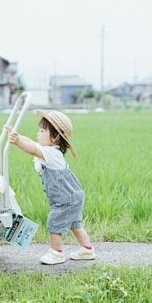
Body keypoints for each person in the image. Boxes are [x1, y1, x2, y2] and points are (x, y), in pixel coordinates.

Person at [5, 110, 96, 265]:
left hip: (65, 198)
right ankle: (87, 249)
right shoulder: (48, 150)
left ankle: (57, 253)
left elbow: (32, 148)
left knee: (54, 222)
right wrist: (17, 135)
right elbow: (33, 144)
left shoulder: (51, 154)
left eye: (42, 131)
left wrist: (18, 142)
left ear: (55, 137)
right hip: (72, 195)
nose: (38, 133)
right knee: (75, 223)